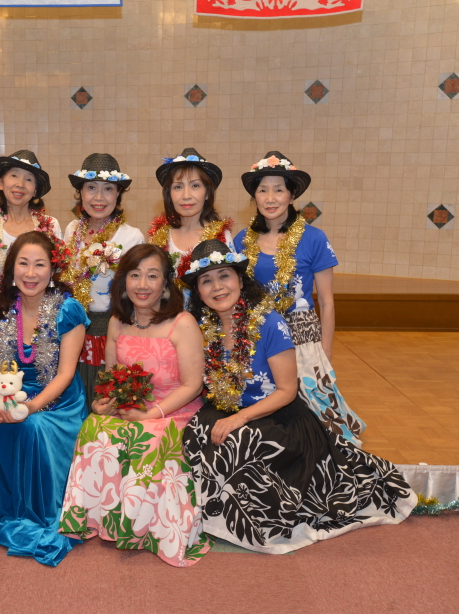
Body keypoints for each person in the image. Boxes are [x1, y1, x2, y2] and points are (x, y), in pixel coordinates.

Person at [181, 240, 415, 554]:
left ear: (241, 281)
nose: (217, 286)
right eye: (206, 281)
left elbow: (287, 391)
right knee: (198, 429)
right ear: (198, 292)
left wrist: (239, 418)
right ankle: (209, 515)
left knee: (241, 441)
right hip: (231, 408)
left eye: (224, 276)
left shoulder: (270, 323)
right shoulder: (201, 328)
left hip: (280, 417)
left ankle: (257, 519)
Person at [58, 244, 212, 567]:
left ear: (166, 283)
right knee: (94, 428)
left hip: (174, 410)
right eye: (135, 275)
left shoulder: (182, 323)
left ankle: (142, 529)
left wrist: (152, 414)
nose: (142, 284)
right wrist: (104, 403)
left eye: (152, 276)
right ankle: (101, 520)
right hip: (132, 407)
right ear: (123, 282)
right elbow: (111, 376)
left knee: (148, 439)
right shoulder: (117, 321)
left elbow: (193, 385)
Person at [0, 231, 89, 567]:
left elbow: (65, 375)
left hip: (59, 404)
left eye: (39, 265)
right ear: (11, 268)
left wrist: (29, 407)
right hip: (10, 395)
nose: (30, 273)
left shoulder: (68, 310)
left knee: (32, 427)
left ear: (52, 269)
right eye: (23, 263)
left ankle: (39, 516)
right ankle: (3, 512)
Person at [234, 151, 366, 445]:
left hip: (303, 338)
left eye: (279, 190)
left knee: (316, 418)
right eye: (262, 190)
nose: (270, 198)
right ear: (254, 196)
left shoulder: (314, 238)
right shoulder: (242, 240)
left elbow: (327, 302)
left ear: (292, 195)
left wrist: (326, 352)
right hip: (259, 333)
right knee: (265, 413)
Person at [60, 153, 144, 404]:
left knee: (107, 400)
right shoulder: (72, 230)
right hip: (75, 330)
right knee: (76, 397)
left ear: (118, 194)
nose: (99, 197)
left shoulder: (132, 236)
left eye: (108, 189)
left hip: (114, 329)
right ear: (80, 193)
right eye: (91, 188)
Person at [0, 150, 63, 313]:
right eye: (14, 175)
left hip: (41, 310)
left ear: (35, 190)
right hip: (0, 309)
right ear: (1, 183)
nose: (20, 184)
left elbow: (59, 276)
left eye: (28, 179)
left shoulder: (50, 225)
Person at [147, 148, 235, 307]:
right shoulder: (159, 236)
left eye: (195, 185)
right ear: (169, 194)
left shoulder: (220, 236)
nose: (186, 195)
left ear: (207, 193)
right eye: (178, 187)